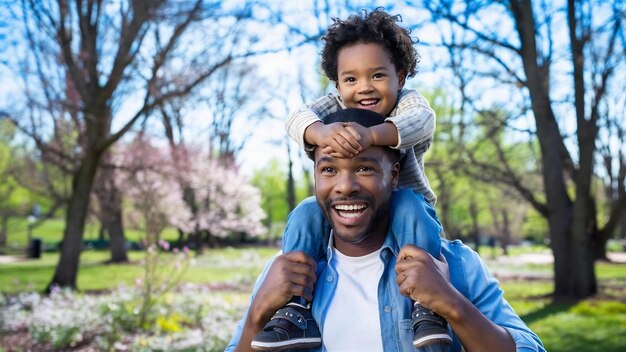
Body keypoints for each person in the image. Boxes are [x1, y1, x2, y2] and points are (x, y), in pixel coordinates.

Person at [226, 108, 546, 352]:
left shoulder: (456, 264)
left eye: (364, 168)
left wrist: (451, 303)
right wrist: (257, 317)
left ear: (393, 176)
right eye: (329, 170)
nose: (345, 186)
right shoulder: (286, 270)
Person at [251, 8, 450, 351]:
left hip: (408, 211)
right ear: (338, 84)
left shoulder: (408, 103)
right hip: (352, 213)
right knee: (304, 212)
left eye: (377, 76)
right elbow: (296, 118)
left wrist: (372, 136)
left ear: (399, 78)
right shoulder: (332, 108)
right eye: (351, 79)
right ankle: (295, 308)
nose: (364, 88)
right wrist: (320, 131)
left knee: (407, 205)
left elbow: (422, 122)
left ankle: (428, 308)